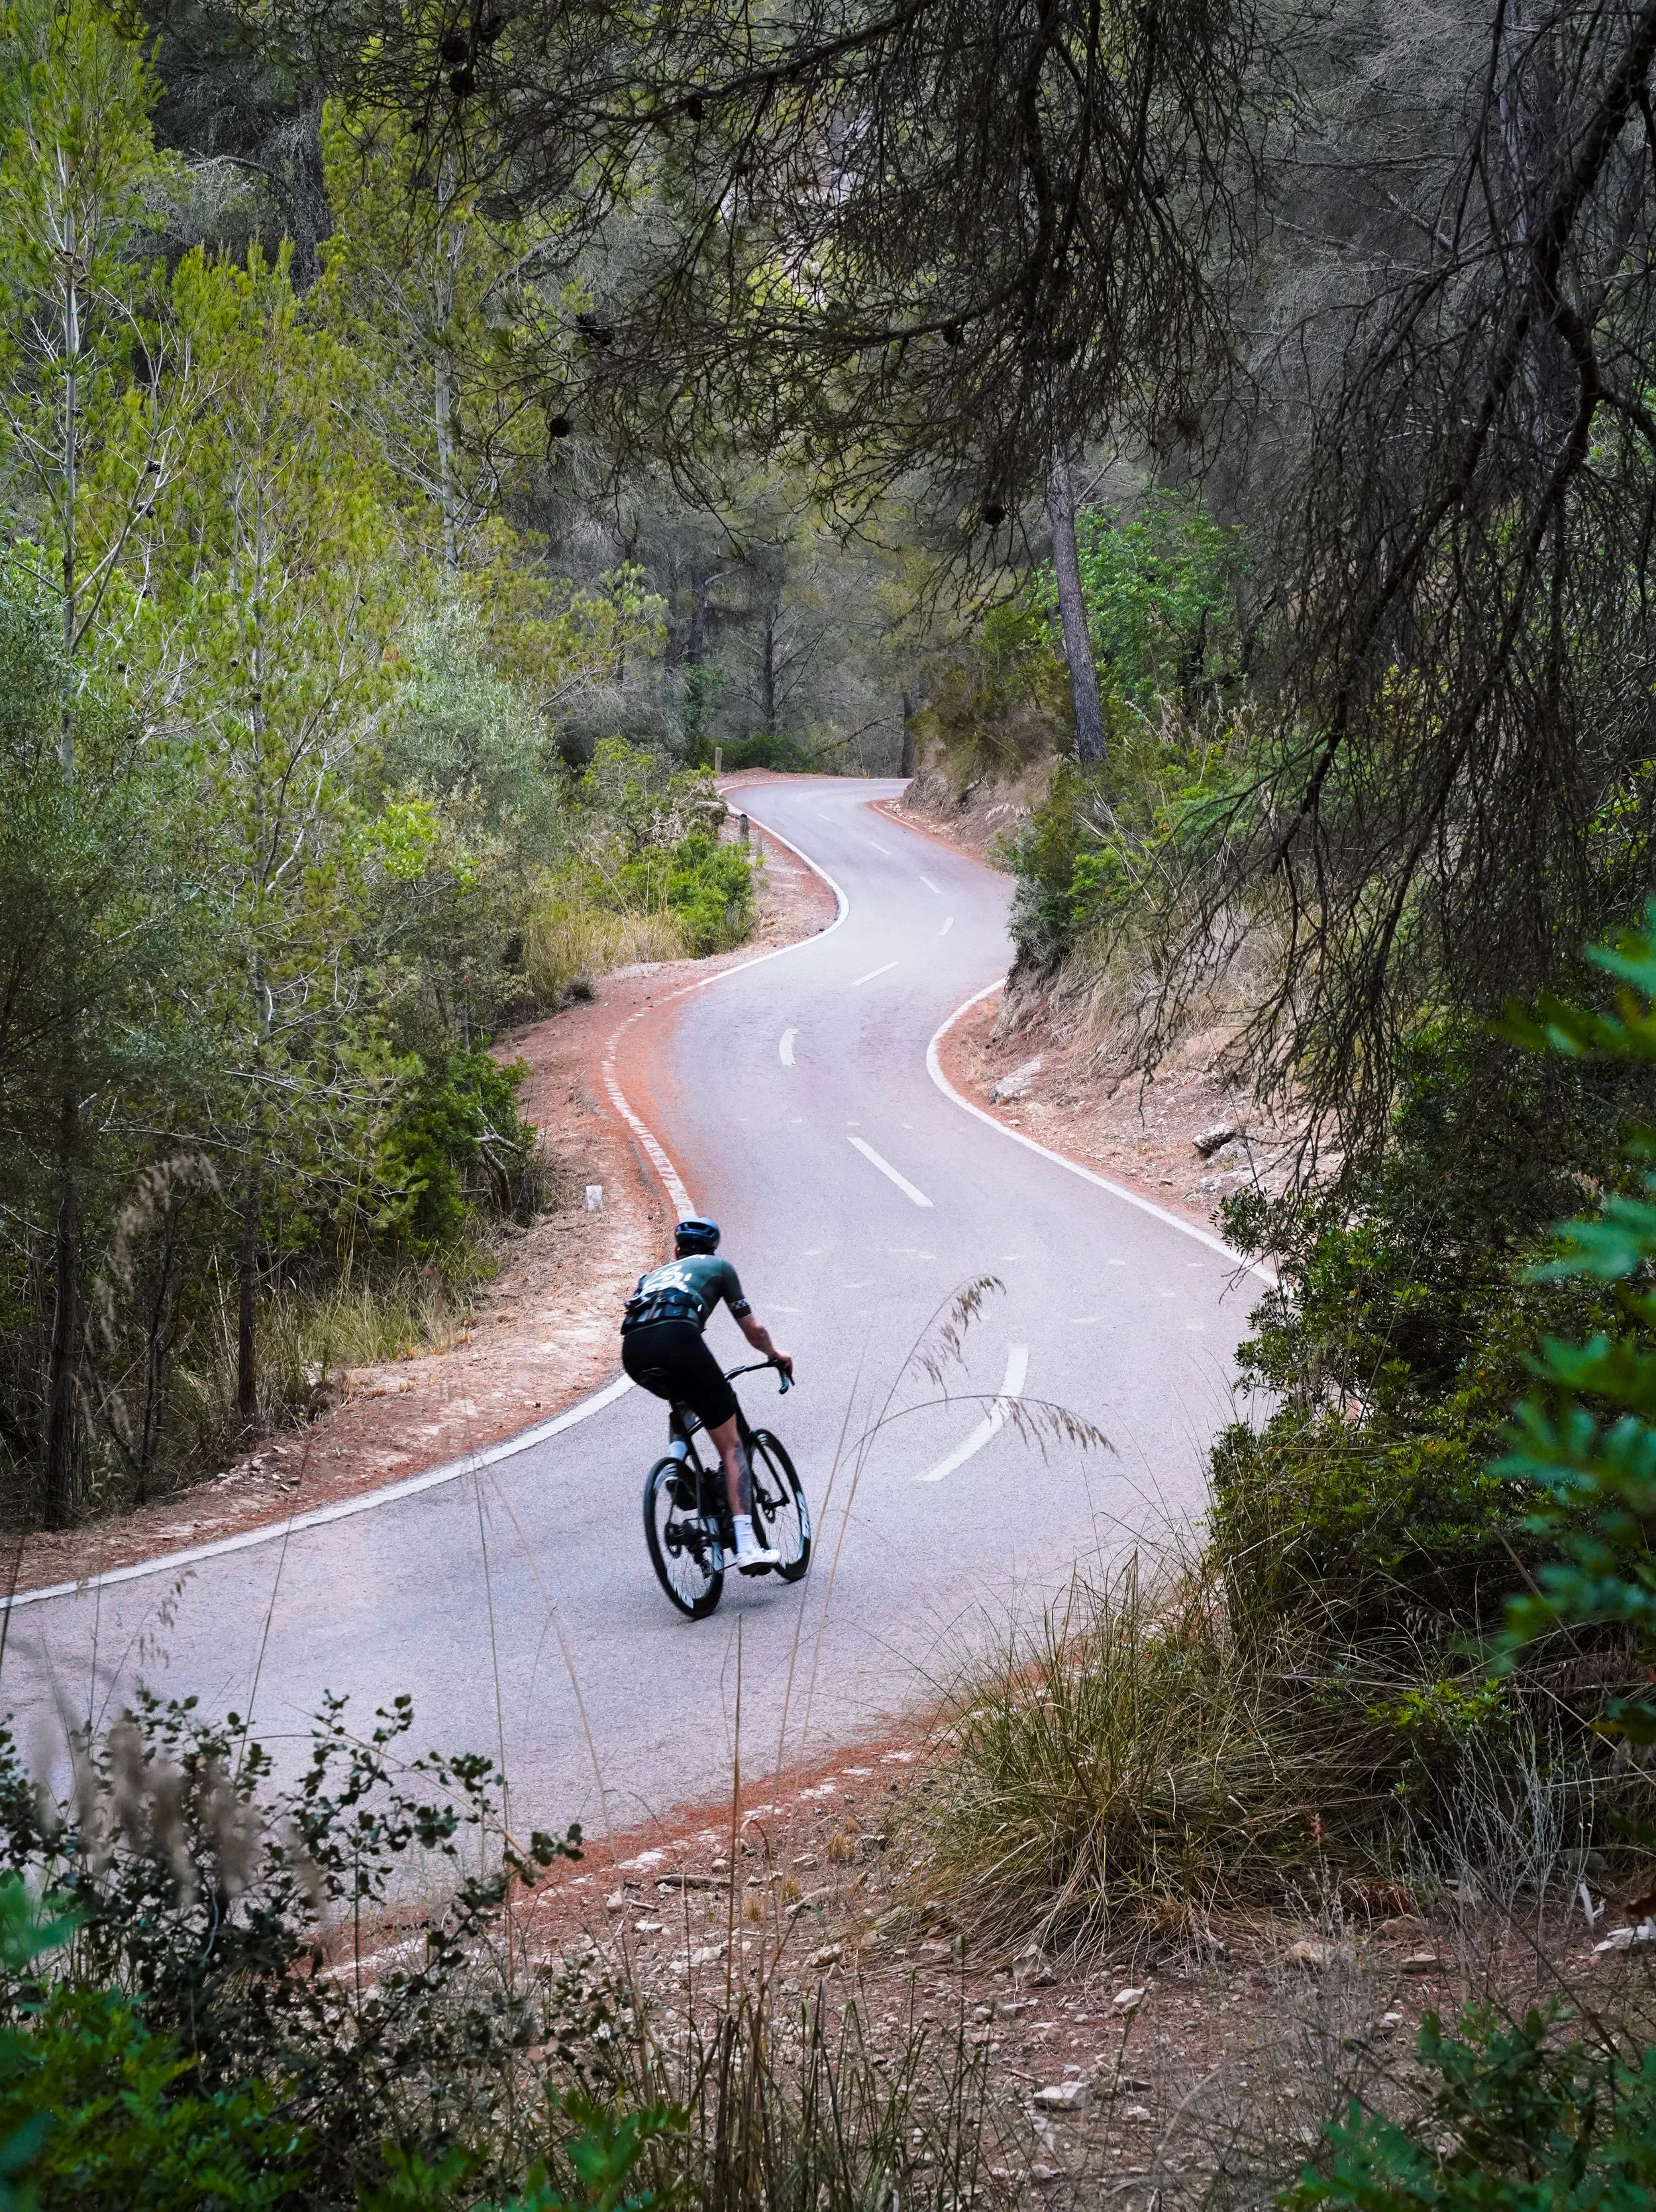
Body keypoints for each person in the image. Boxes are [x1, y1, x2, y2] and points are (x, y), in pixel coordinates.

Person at [621, 1218, 795, 1569]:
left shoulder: (652, 1276)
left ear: (676, 1252)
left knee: (683, 1399)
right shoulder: (719, 1267)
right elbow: (753, 1330)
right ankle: (747, 1547)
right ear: (712, 1250)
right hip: (680, 1342)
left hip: (634, 1351)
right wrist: (774, 1355)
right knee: (731, 1445)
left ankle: (675, 1466)